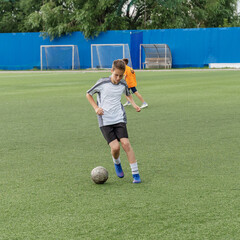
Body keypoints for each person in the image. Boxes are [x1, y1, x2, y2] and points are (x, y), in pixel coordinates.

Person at [86, 59, 142, 183]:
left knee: (126, 144)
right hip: (105, 119)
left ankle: (136, 174)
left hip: (119, 118)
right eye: (116, 75)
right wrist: (96, 108)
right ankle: (117, 162)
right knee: (115, 148)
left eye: (121, 76)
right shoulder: (102, 82)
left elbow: (128, 94)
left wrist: (134, 104)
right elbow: (88, 94)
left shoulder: (123, 84)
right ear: (111, 71)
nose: (118, 78)